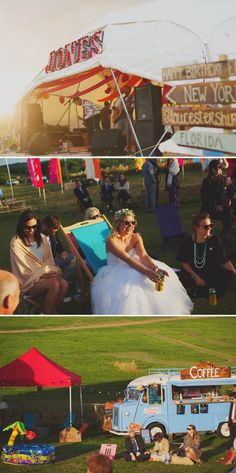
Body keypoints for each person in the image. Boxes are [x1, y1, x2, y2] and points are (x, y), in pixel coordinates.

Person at [91, 209, 193, 315]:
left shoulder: (136, 237)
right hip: (117, 270)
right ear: (118, 224)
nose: (130, 225)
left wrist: (154, 267)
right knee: (135, 281)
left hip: (137, 264)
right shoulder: (111, 240)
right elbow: (127, 259)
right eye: (126, 222)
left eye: (133, 222)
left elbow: (143, 255)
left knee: (159, 274)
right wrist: (146, 272)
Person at [10, 209, 69, 314]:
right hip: (29, 281)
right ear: (21, 226)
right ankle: (48, 314)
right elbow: (22, 268)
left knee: (64, 284)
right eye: (27, 227)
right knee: (54, 284)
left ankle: (47, 310)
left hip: (46, 275)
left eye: (34, 227)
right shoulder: (16, 243)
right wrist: (41, 275)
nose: (31, 230)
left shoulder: (42, 238)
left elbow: (50, 260)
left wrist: (50, 272)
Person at [176, 213, 236, 298]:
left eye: (210, 225)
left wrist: (234, 273)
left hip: (211, 273)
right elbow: (183, 262)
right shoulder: (188, 241)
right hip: (194, 273)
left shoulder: (215, 240)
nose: (209, 228)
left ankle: (197, 290)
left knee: (229, 275)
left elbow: (224, 260)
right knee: (180, 278)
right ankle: (200, 289)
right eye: (205, 227)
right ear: (196, 228)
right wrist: (196, 277)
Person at [200, 159, 233, 239]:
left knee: (229, 211)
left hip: (220, 206)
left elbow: (223, 194)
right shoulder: (207, 182)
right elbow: (206, 198)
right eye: (218, 168)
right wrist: (216, 206)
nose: (220, 169)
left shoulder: (222, 179)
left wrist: (227, 200)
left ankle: (226, 233)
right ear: (213, 170)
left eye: (221, 168)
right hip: (209, 207)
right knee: (224, 212)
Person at [42, 215, 77, 281]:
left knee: (74, 260)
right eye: (52, 231)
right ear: (45, 226)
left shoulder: (53, 231)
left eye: (55, 232)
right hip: (44, 262)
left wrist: (62, 251)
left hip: (54, 258)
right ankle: (60, 279)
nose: (54, 233)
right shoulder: (38, 235)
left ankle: (62, 278)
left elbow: (57, 241)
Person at [113, 86, 134, 154]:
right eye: (124, 89)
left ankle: (129, 150)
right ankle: (119, 147)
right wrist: (117, 114)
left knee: (128, 133)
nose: (125, 90)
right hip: (121, 117)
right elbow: (115, 107)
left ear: (130, 90)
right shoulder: (121, 98)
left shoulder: (132, 97)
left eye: (127, 89)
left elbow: (133, 107)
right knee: (119, 133)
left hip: (128, 116)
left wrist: (128, 106)